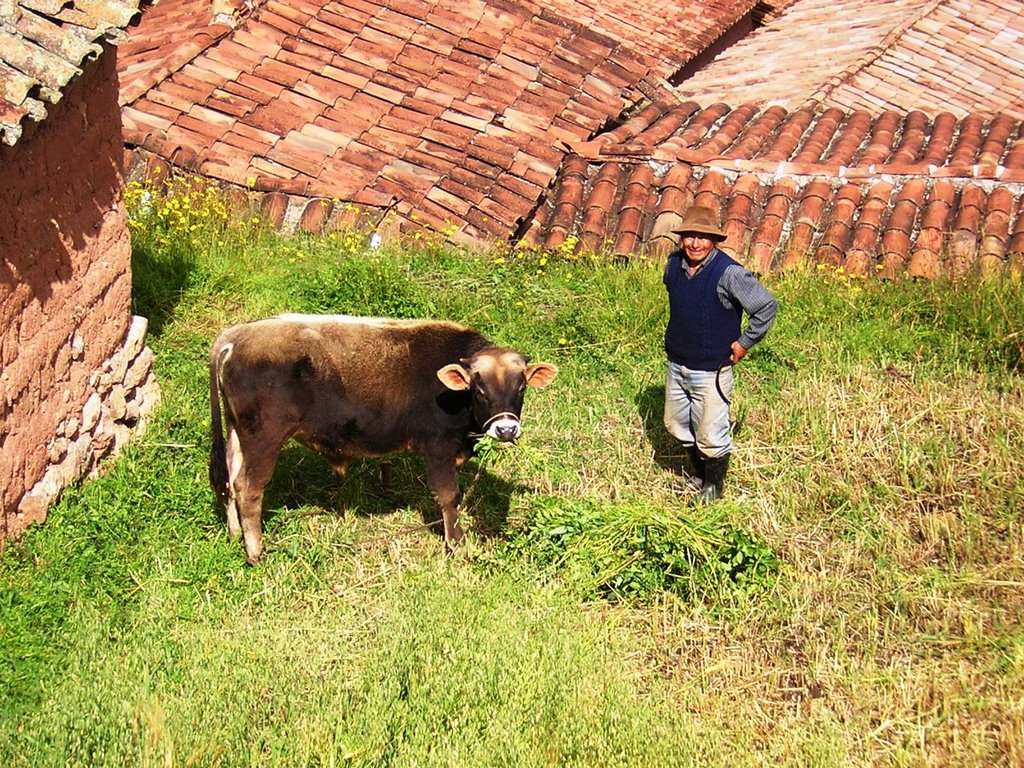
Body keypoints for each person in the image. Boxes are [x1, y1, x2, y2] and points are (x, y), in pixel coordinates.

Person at [663, 205, 777, 502]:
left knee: (711, 435)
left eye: (703, 237)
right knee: (676, 425)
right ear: (681, 238)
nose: (695, 243)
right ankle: (698, 475)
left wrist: (744, 343)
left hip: (712, 369)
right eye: (690, 236)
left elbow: (766, 306)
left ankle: (713, 489)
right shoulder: (673, 264)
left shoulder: (729, 273)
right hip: (677, 364)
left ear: (714, 240)